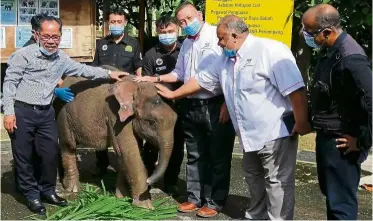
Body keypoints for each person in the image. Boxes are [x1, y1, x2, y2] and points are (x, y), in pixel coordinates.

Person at [155, 15, 312, 220]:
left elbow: (295, 90)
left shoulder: (270, 50)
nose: (219, 43)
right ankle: (256, 215)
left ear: (234, 35)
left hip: (275, 131)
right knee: (253, 177)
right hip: (248, 135)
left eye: (221, 39)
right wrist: (174, 94)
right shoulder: (225, 59)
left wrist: (302, 122)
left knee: (277, 182)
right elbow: (202, 80)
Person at [2, 16, 127, 216]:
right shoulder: (23, 55)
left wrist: (109, 74)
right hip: (22, 111)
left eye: (55, 36)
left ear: (60, 37)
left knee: (50, 154)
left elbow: (84, 70)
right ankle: (32, 194)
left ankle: (48, 190)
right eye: (46, 36)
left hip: (45, 112)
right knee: (24, 157)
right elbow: (9, 84)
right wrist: (8, 112)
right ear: (36, 35)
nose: (51, 40)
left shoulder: (61, 58)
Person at [134, 2, 236, 218]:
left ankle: (214, 202)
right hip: (191, 105)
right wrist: (154, 78)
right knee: (195, 155)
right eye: (182, 22)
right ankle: (194, 198)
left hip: (215, 103)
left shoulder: (216, 37)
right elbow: (179, 73)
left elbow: (228, 72)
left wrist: (228, 102)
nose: (186, 24)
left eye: (189, 18)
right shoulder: (187, 44)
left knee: (217, 156)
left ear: (199, 14)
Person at [302, 4, 372, 220]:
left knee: (341, 205)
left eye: (309, 32)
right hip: (328, 138)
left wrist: (362, 142)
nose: (305, 35)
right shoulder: (332, 50)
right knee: (333, 199)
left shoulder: (350, 58)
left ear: (326, 32)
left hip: (341, 142)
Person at [92, 6, 143, 176]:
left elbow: (138, 69)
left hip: (126, 95)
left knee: (130, 129)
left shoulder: (133, 43)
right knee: (102, 128)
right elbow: (94, 68)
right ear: (107, 23)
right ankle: (101, 165)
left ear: (125, 23)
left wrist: (138, 90)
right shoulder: (101, 44)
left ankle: (134, 165)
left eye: (119, 22)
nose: (115, 24)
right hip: (104, 94)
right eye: (112, 22)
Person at [141, 15, 184, 196]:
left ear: (177, 30)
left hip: (180, 106)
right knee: (151, 145)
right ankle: (147, 179)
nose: (166, 34)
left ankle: (171, 182)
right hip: (156, 109)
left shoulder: (185, 50)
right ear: (158, 32)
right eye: (163, 32)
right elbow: (146, 82)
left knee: (176, 146)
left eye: (170, 31)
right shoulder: (151, 54)